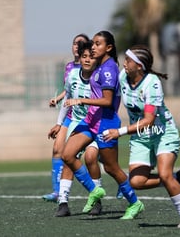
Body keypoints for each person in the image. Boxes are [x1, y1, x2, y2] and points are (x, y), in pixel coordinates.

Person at [102, 46, 180, 228]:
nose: (125, 63)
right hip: (141, 137)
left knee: (164, 173)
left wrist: (119, 132)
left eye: (129, 60)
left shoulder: (152, 83)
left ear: (139, 66)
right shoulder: (123, 77)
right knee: (136, 181)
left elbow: (149, 121)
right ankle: (178, 178)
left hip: (163, 133)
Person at [62, 30, 144, 220]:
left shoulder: (109, 69)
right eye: (93, 44)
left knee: (111, 168)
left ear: (109, 47)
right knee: (67, 154)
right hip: (91, 120)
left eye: (98, 44)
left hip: (105, 123)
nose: (93, 47)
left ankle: (135, 203)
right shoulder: (100, 66)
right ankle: (95, 190)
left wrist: (81, 101)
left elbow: (107, 101)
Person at [53, 40, 102, 217]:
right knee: (68, 157)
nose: (87, 60)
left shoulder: (99, 77)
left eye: (91, 57)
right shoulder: (73, 75)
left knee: (90, 158)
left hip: (95, 124)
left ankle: (97, 199)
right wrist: (59, 124)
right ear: (79, 58)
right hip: (76, 123)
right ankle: (63, 202)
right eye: (84, 56)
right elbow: (67, 102)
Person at [42, 34, 90, 202]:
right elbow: (69, 90)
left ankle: (121, 184)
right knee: (58, 149)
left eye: (81, 43)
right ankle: (57, 192)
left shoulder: (92, 67)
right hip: (70, 114)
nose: (77, 46)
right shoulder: (69, 67)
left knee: (97, 157)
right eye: (74, 43)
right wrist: (59, 99)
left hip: (89, 117)